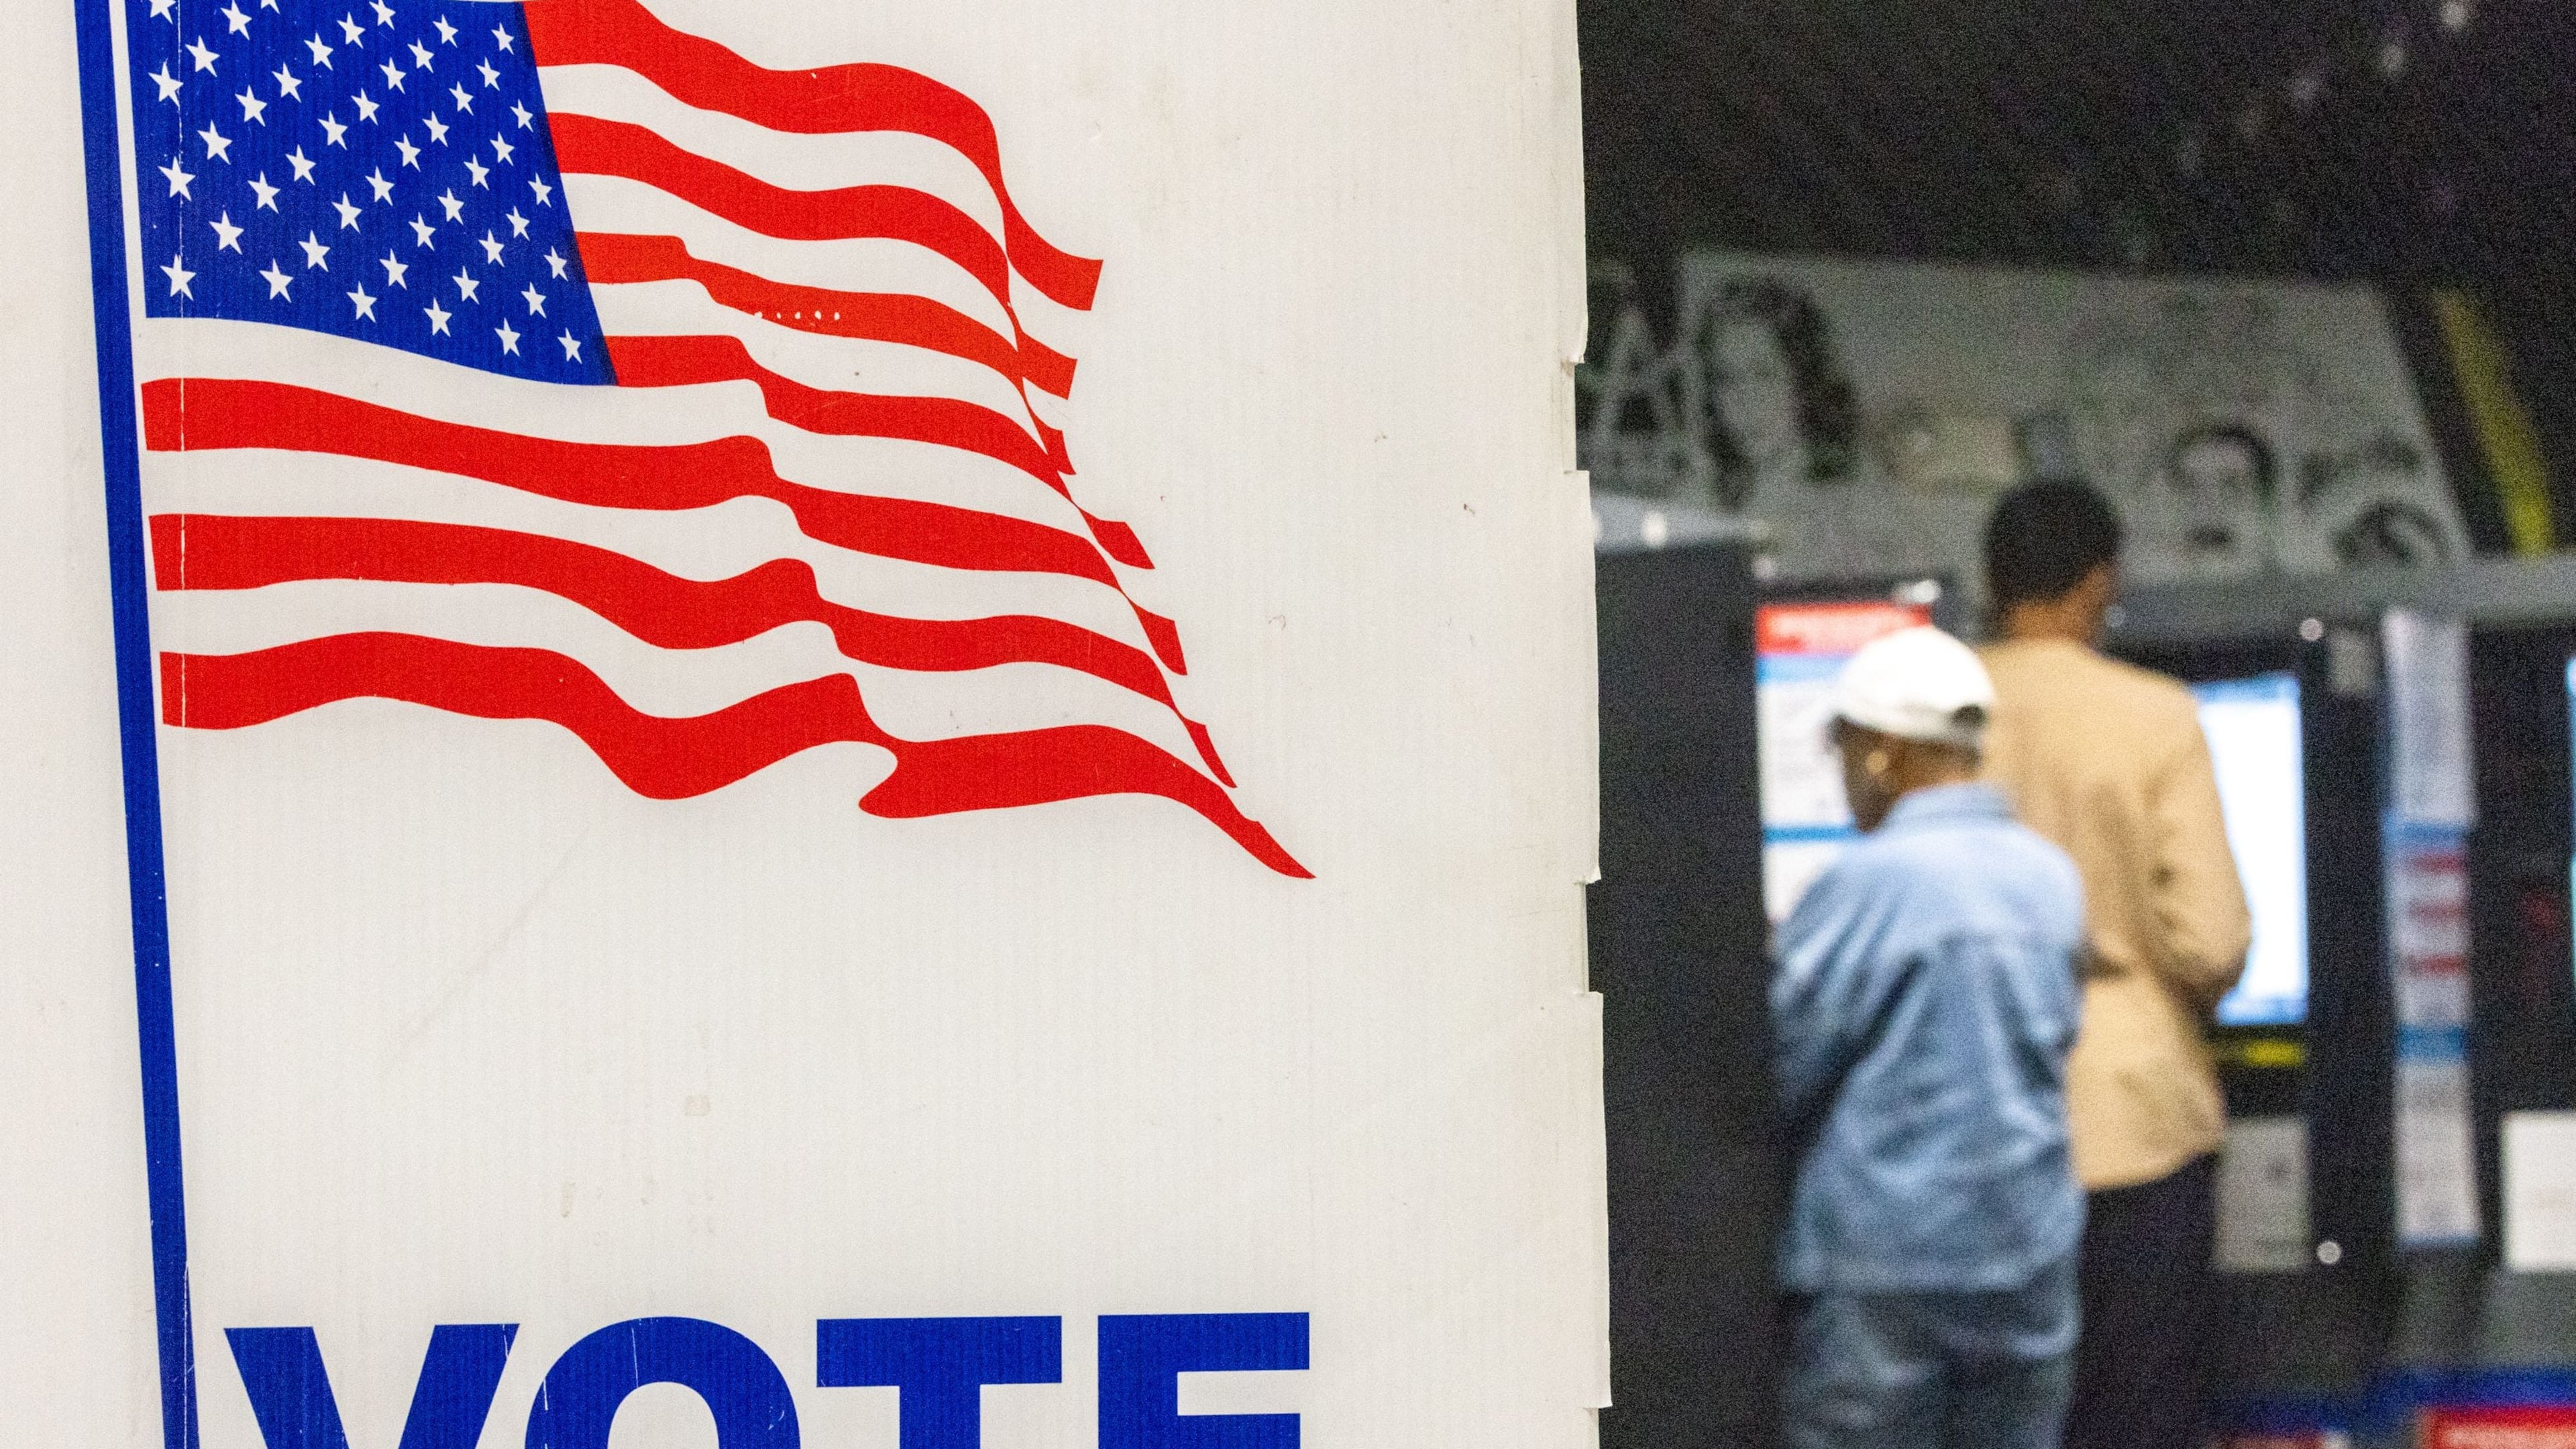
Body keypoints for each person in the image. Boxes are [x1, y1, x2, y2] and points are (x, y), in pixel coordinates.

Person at [1977, 480, 2253, 1449]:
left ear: (1991, 582)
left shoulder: (1937, 713)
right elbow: (2211, 941)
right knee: (2139, 1415)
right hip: (2131, 1127)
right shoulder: (2154, 717)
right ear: (2101, 582)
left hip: (1971, 1120)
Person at [1774, 626, 2089, 1449]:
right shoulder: (2048, 877)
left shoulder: (1868, 884)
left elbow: (1781, 1059)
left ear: (1882, 752)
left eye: (1842, 749)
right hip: (2027, 1256)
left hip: (1886, 1274)